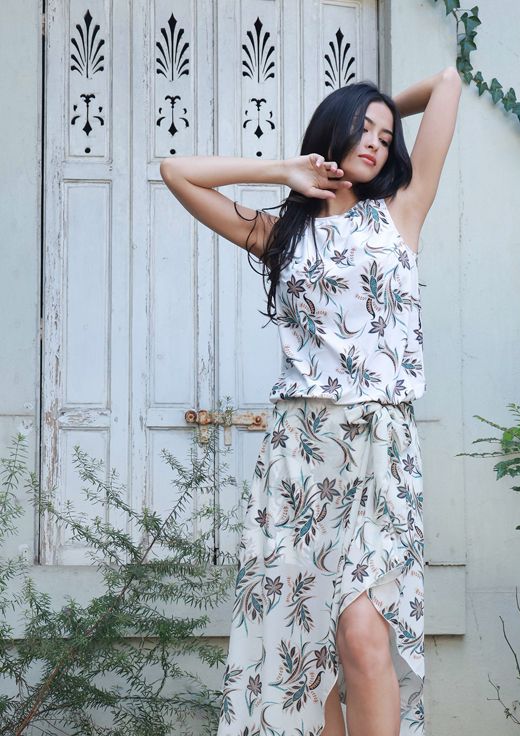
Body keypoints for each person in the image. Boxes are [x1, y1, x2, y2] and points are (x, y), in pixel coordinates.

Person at [160, 66, 462, 736]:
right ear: (333, 131)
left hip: (379, 454)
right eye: (363, 128)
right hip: (299, 457)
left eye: (387, 135)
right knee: (301, 648)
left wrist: (377, 103)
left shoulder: (402, 211)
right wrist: (284, 171)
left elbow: (447, 82)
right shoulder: (280, 236)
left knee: (361, 633)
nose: (377, 141)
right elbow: (176, 172)